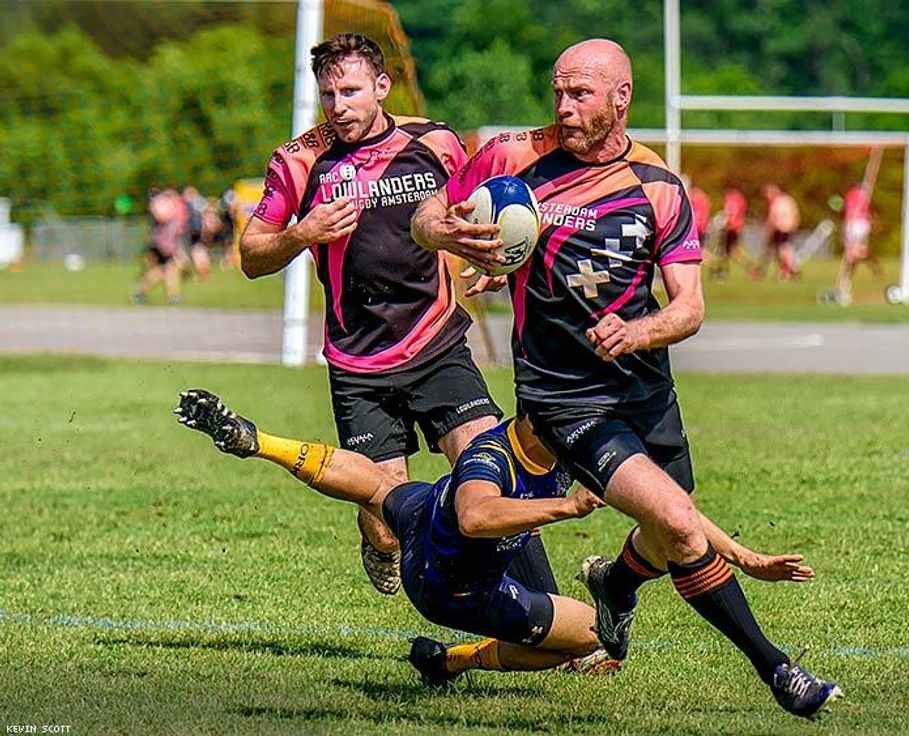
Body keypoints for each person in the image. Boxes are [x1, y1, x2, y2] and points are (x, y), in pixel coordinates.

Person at [411, 38, 841, 719]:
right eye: (558, 92)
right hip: (564, 399)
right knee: (677, 520)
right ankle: (780, 671)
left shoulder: (659, 186)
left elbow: (690, 307)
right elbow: (429, 213)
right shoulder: (515, 156)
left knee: (669, 537)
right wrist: (446, 236)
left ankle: (615, 581)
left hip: (645, 390)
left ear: (621, 98)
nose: (564, 107)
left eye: (580, 94)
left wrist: (639, 332)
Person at [174, 388, 818, 682]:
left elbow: (665, 504)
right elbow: (479, 516)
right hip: (449, 584)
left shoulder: (564, 448)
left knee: (374, 486)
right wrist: (563, 511)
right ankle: (455, 659)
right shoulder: (490, 457)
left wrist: (741, 554)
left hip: (421, 510)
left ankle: (255, 441)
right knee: (590, 639)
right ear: (539, 418)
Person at [238, 33, 555, 597]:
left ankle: (548, 615)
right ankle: (376, 538)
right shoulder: (299, 160)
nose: (339, 106)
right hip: (358, 365)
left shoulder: (434, 142)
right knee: (388, 521)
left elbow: (481, 210)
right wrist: (301, 234)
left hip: (436, 345)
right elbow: (250, 254)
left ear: (382, 87)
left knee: (496, 480)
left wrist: (501, 260)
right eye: (329, 94)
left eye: (352, 91)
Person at [132, 187, 186, 305]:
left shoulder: (162, 203)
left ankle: (171, 295)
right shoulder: (157, 204)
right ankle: (142, 292)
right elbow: (162, 216)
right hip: (161, 243)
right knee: (166, 269)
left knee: (167, 269)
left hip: (166, 242)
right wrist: (173, 210)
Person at [753, 183, 800, 280]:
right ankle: (786, 270)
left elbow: (773, 218)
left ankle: (786, 271)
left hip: (781, 229)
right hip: (789, 228)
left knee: (779, 251)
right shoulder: (788, 200)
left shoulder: (777, 202)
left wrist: (769, 230)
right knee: (783, 250)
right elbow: (795, 214)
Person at [711, 186, 751, 281]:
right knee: (731, 251)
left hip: (731, 228)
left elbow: (731, 213)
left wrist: (724, 223)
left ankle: (722, 272)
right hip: (737, 227)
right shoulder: (740, 198)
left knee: (728, 251)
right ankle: (722, 271)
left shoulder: (732, 199)